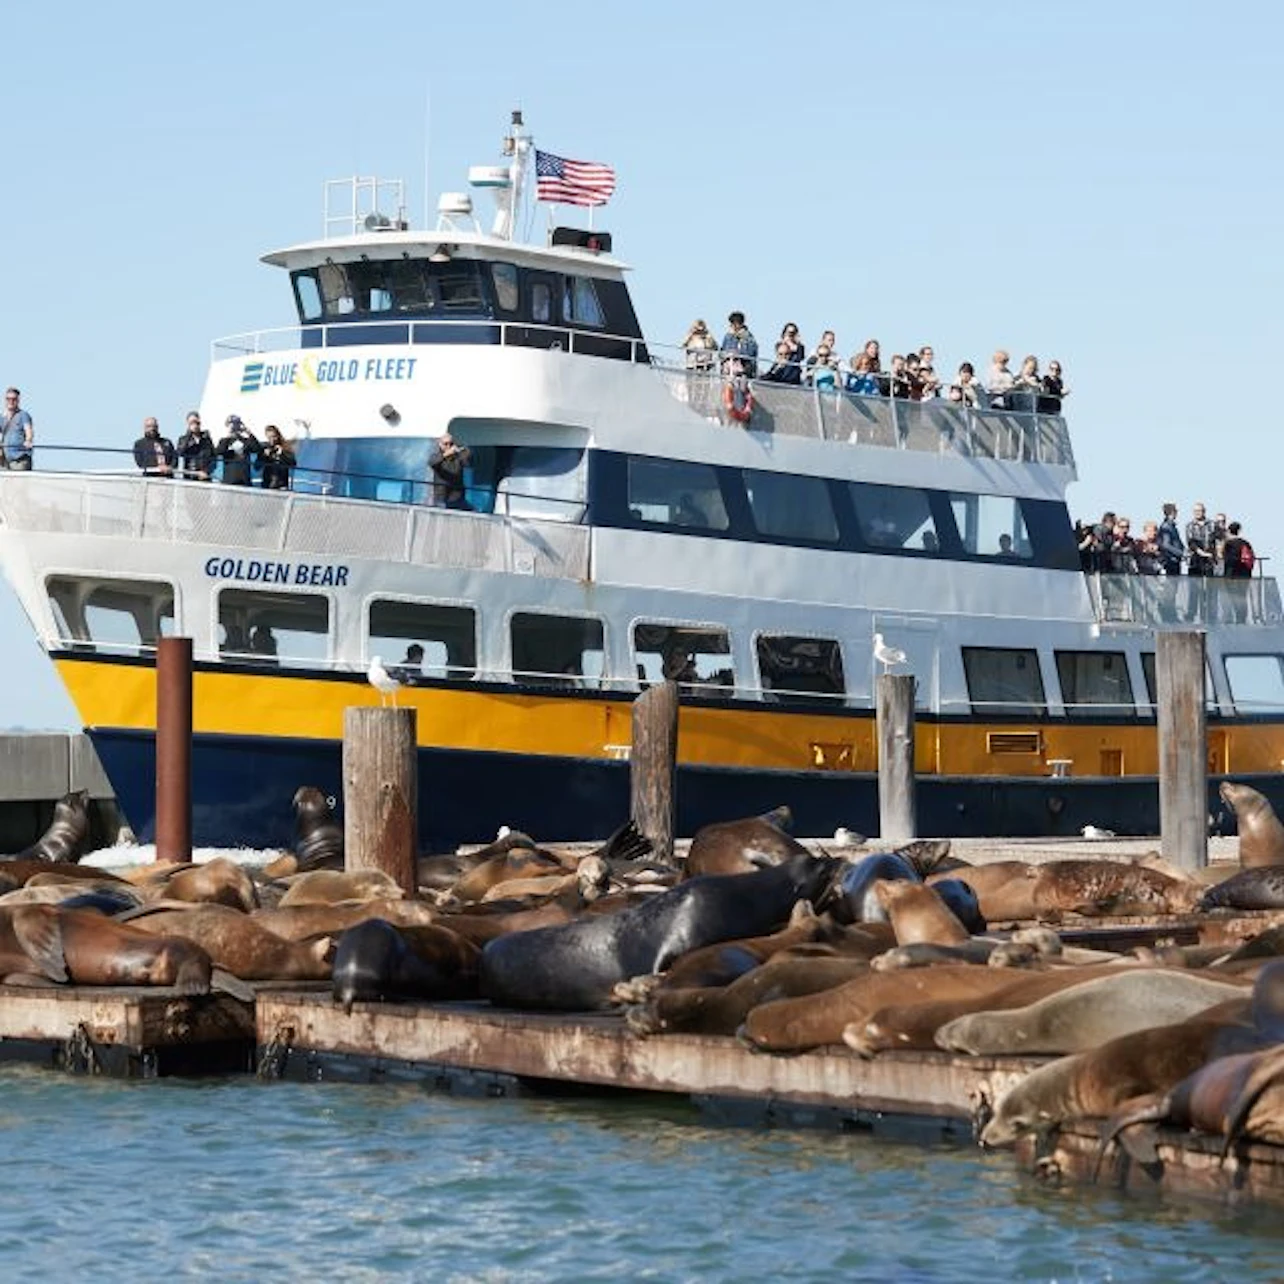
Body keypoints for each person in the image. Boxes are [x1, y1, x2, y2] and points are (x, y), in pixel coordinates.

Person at [428, 431, 473, 509]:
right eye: (446, 444)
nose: (448, 446)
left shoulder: (458, 457)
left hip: (457, 498)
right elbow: (432, 462)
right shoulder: (436, 455)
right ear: (440, 444)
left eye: (451, 444)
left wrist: (461, 450)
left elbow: (468, 462)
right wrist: (446, 454)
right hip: (442, 498)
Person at [216, 415, 260, 485]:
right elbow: (219, 452)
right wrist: (228, 435)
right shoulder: (224, 441)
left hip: (244, 479)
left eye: (237, 423)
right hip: (229, 480)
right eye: (232, 423)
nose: (235, 426)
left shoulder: (246, 440)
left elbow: (257, 449)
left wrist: (248, 432)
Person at [0, 388, 34, 470]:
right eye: (8, 399)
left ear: (18, 401)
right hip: (5, 460)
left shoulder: (23, 415)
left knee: (19, 481)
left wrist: (28, 440)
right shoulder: (2, 418)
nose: (11, 401)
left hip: (19, 458)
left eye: (13, 399)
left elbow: (28, 430)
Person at [177, 411, 216, 480]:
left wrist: (207, 471)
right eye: (192, 422)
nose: (195, 425)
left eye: (196, 422)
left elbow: (213, 457)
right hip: (190, 475)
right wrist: (189, 434)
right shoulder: (183, 439)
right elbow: (180, 452)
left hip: (205, 476)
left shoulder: (206, 439)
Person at [719, 311, 758, 377]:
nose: (731, 326)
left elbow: (750, 354)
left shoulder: (749, 338)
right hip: (728, 368)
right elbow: (722, 351)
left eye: (733, 323)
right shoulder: (728, 336)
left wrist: (737, 353)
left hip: (743, 369)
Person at [258, 424, 295, 490]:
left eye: (273, 437)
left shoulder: (285, 448)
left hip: (281, 485)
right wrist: (264, 456)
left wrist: (282, 454)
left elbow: (293, 464)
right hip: (268, 484)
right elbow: (257, 467)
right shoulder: (264, 448)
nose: (272, 440)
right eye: (269, 437)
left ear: (277, 436)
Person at [1186, 501, 1216, 577]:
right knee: (1194, 585)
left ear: (1204, 511)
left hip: (1209, 560)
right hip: (1195, 560)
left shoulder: (1212, 524)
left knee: (1210, 585)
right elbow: (1190, 543)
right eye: (1195, 511)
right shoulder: (1190, 526)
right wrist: (1202, 553)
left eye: (1199, 511)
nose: (1197, 513)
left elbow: (1216, 540)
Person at [1157, 502, 1184, 576]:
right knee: (1171, 585)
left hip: (1175, 561)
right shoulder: (1166, 527)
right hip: (1170, 561)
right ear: (1172, 512)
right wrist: (1181, 553)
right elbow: (1166, 545)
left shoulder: (1172, 526)